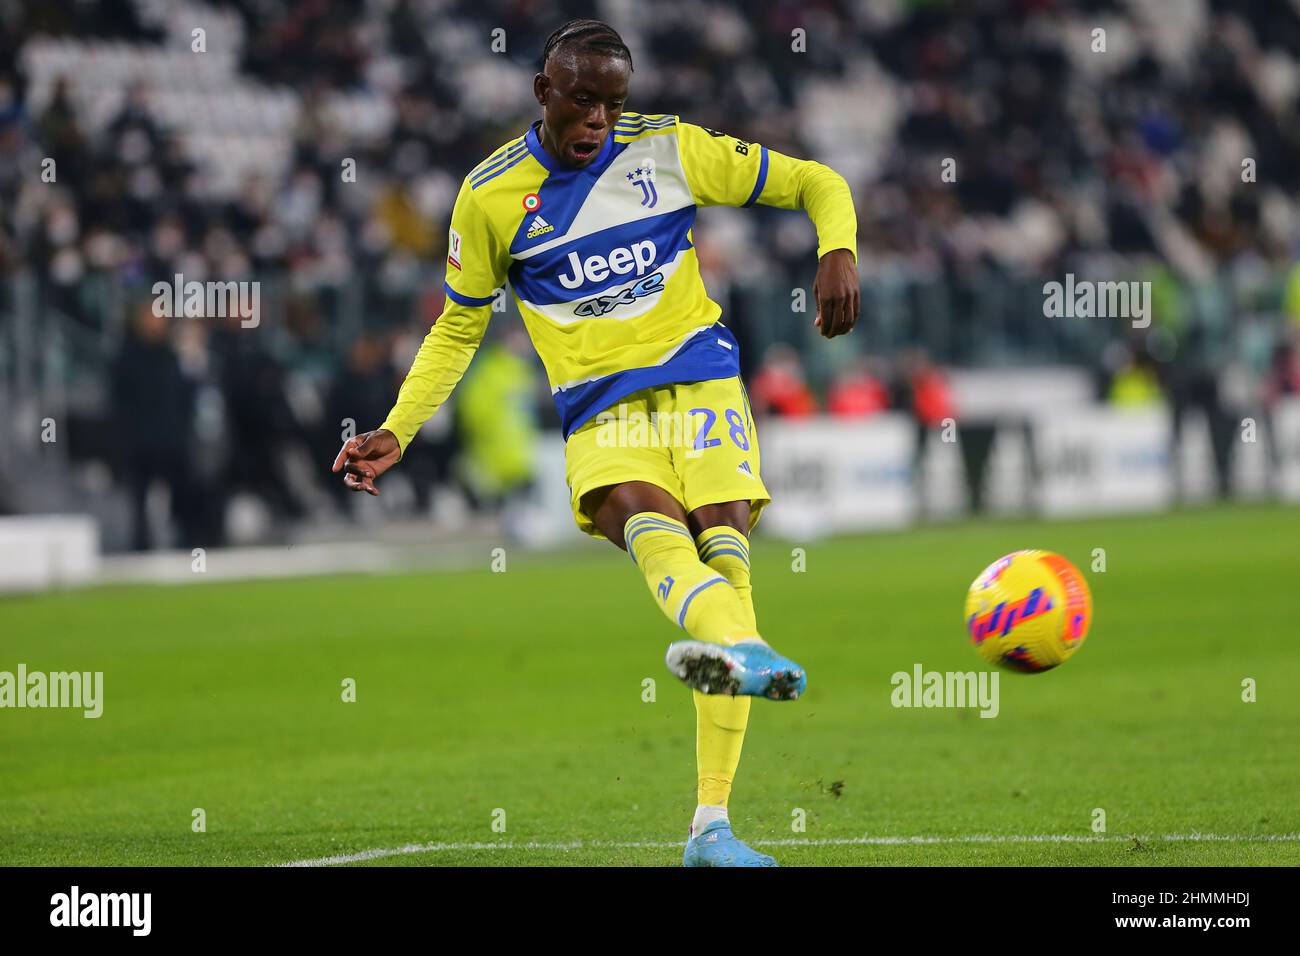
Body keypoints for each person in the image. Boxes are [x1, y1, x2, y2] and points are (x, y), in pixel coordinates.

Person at [332, 19, 859, 867]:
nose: (597, 124)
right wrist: (398, 426)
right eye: (583, 102)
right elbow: (457, 329)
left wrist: (838, 251)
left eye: (613, 106)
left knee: (723, 560)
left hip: (704, 388)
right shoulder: (491, 194)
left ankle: (711, 829)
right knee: (662, 543)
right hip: (601, 411)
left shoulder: (671, 149)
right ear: (545, 92)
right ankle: (741, 654)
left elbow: (818, 180)